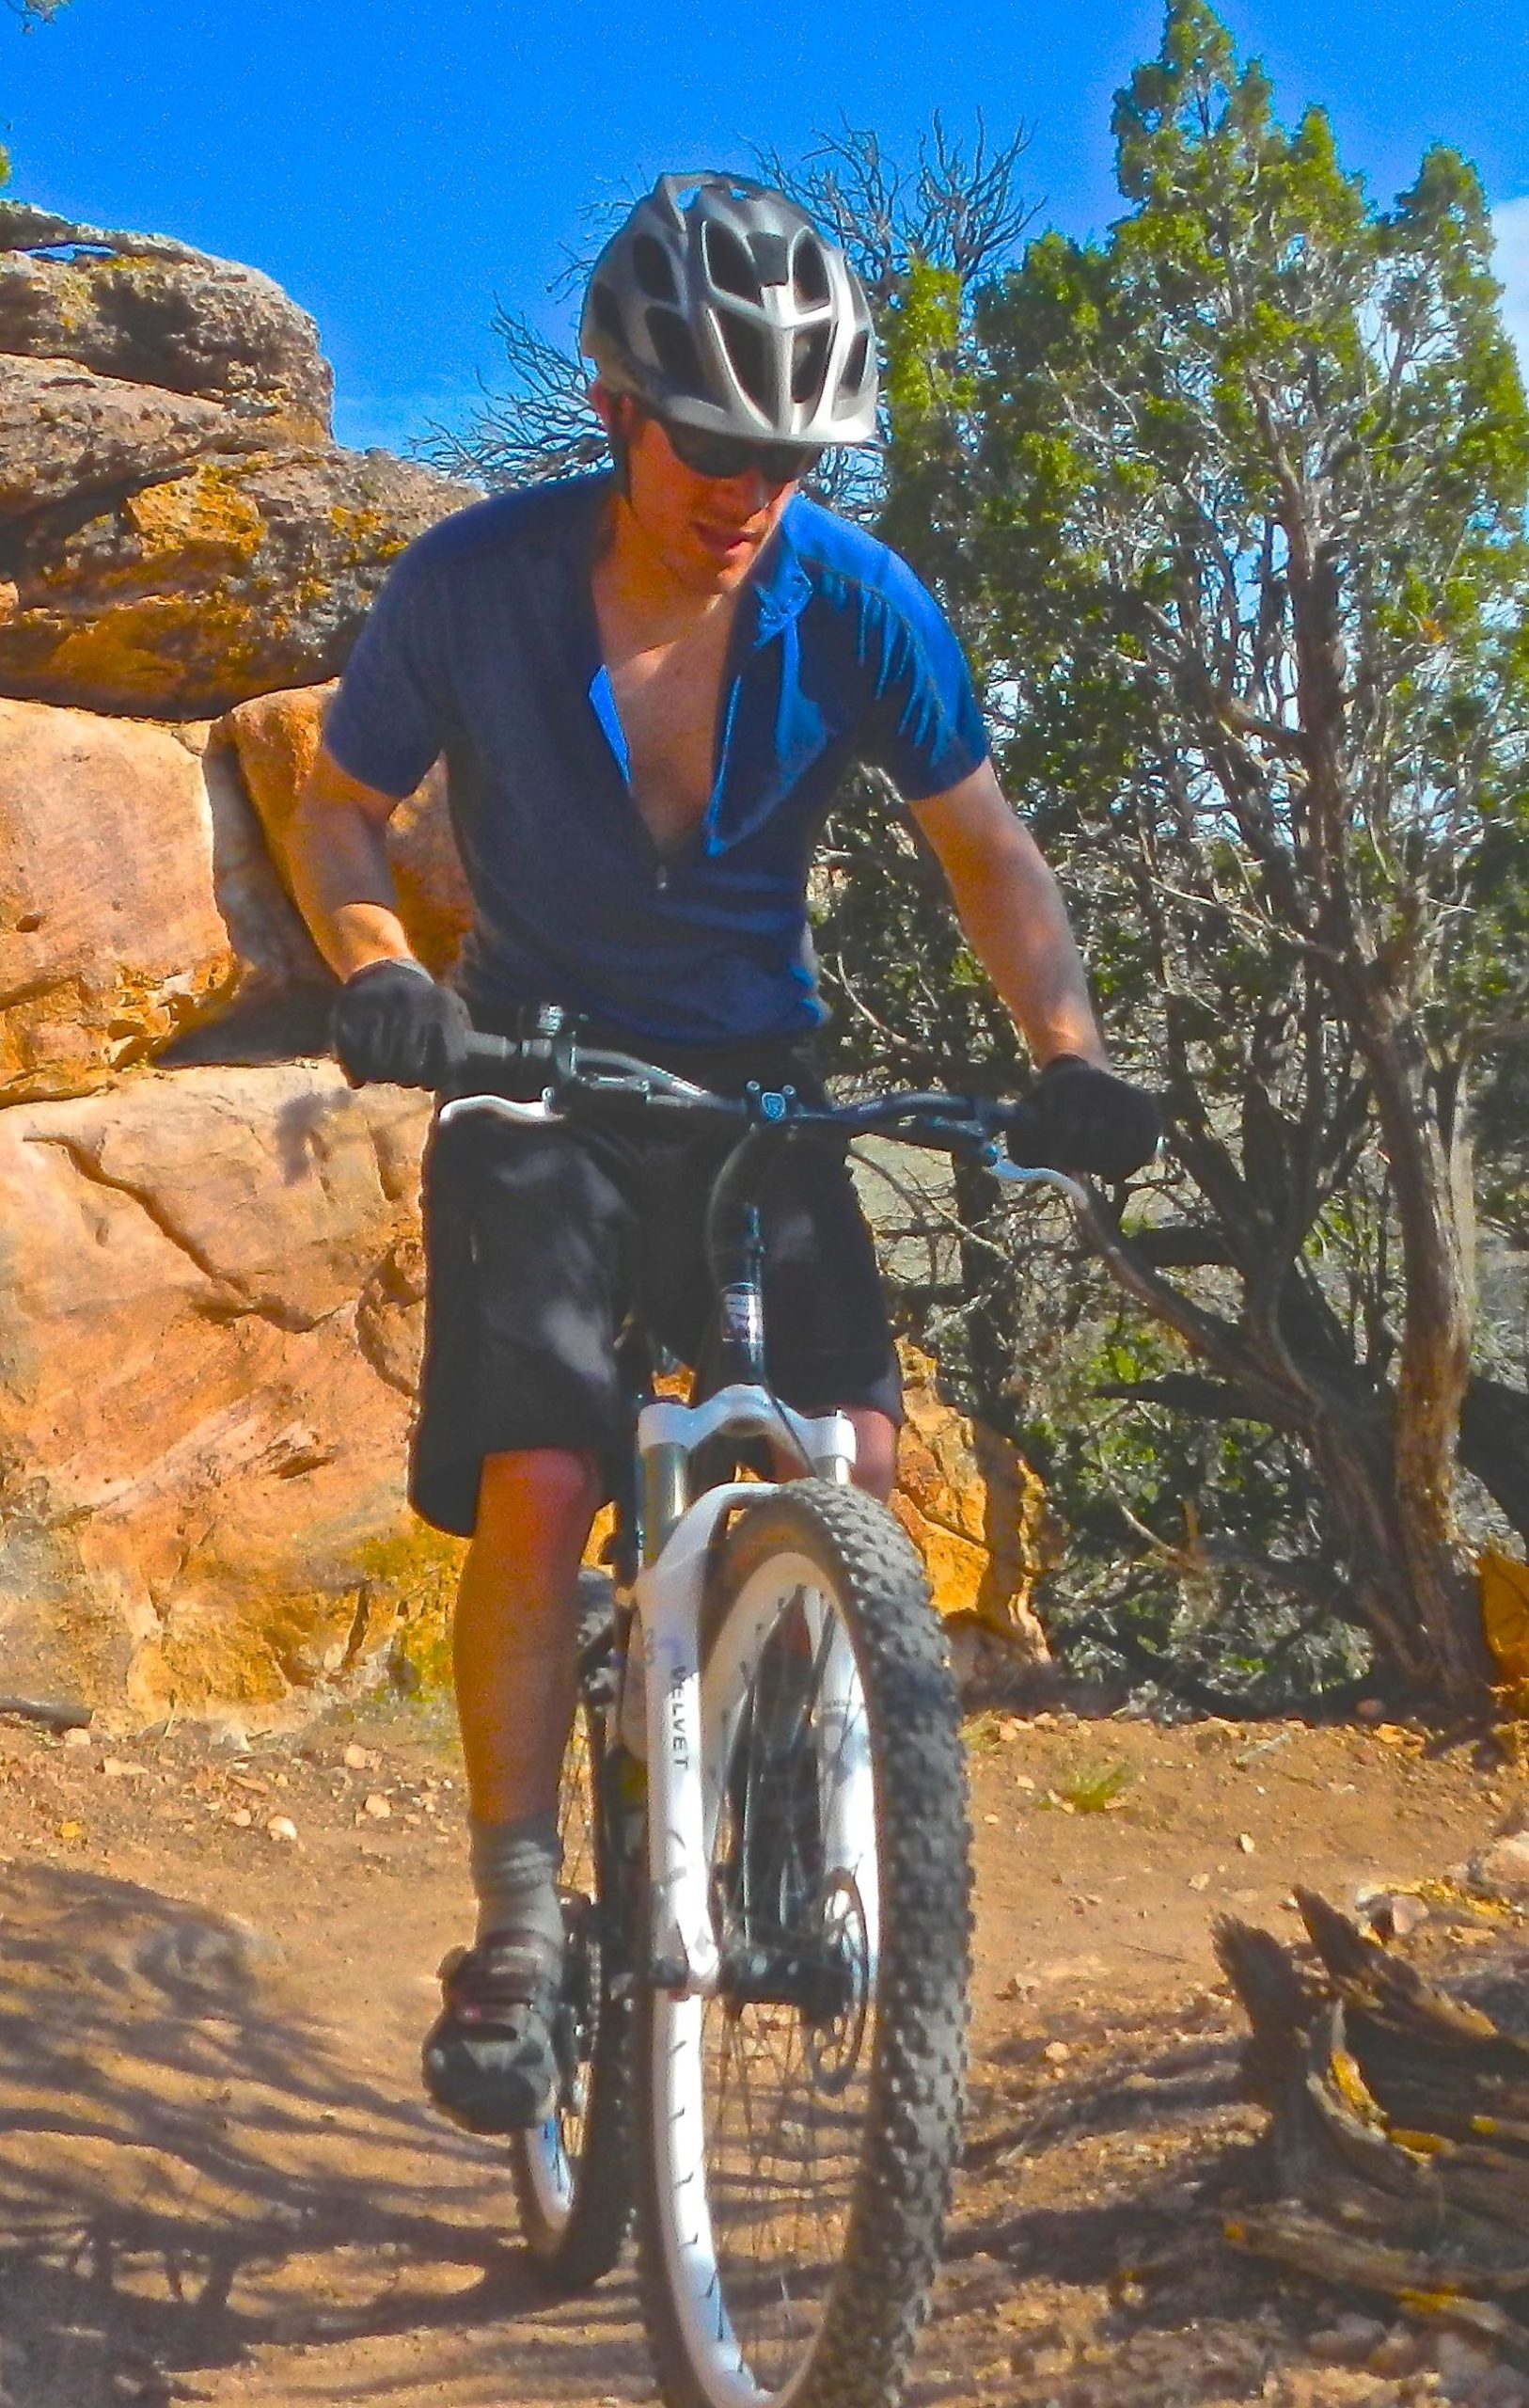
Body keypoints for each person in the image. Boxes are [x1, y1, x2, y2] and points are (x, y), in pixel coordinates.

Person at [286, 172, 1159, 2135]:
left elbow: (983, 847)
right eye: (715, 442)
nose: (746, 488)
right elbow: (339, 806)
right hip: (533, 1079)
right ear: (617, 405)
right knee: (540, 1473)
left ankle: (778, 1786)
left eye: (787, 451)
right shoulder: (476, 586)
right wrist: (374, 968)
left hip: (758, 1083)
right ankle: (518, 1923)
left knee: (856, 1449)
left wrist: (1071, 1051)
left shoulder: (857, 602)